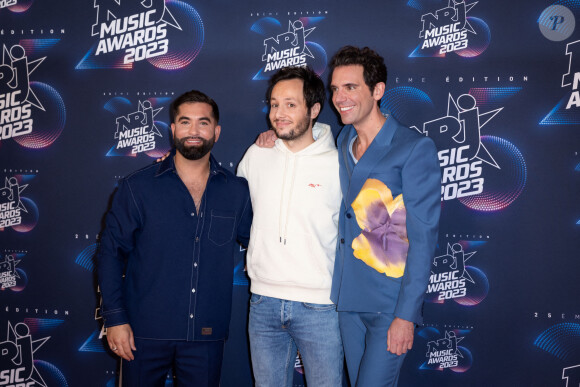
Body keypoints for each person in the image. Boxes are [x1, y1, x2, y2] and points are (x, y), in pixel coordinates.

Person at [97, 90, 252, 386]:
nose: (194, 131)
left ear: (216, 132)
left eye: (203, 123)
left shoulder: (236, 191)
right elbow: (110, 254)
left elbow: (262, 243)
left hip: (206, 334)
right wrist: (115, 318)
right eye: (185, 122)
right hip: (143, 332)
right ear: (173, 130)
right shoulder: (138, 187)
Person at [329, 46, 441, 386]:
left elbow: (423, 239)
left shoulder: (413, 147)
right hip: (348, 302)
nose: (340, 97)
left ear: (377, 91)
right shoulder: (343, 138)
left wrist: (406, 315)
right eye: (335, 88)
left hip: (390, 304)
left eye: (351, 87)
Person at [237, 66, 344, 387]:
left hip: (321, 307)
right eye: (273, 104)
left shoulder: (339, 164)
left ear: (314, 110)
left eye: (290, 104)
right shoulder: (257, 154)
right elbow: (228, 205)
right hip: (263, 302)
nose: (278, 114)